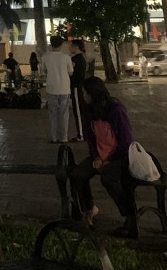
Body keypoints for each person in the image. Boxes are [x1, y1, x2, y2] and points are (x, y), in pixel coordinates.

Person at [71, 76, 139, 239]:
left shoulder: (115, 110)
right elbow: (90, 138)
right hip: (100, 156)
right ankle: (88, 210)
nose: (83, 96)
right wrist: (96, 157)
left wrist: (109, 160)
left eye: (85, 93)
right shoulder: (89, 111)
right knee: (78, 174)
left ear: (92, 93)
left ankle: (129, 214)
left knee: (109, 179)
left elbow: (126, 142)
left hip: (119, 156)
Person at [42, 35, 74, 144]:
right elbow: (70, 72)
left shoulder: (45, 57)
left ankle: (53, 137)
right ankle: (64, 137)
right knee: (64, 114)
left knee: (52, 113)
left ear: (51, 44)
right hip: (64, 88)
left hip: (51, 87)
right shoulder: (66, 57)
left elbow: (44, 71)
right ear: (61, 45)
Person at [68, 39, 88, 142]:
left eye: (71, 46)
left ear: (76, 47)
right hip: (79, 86)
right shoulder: (82, 58)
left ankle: (81, 134)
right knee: (80, 110)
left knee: (78, 111)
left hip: (76, 87)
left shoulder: (75, 59)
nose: (69, 48)